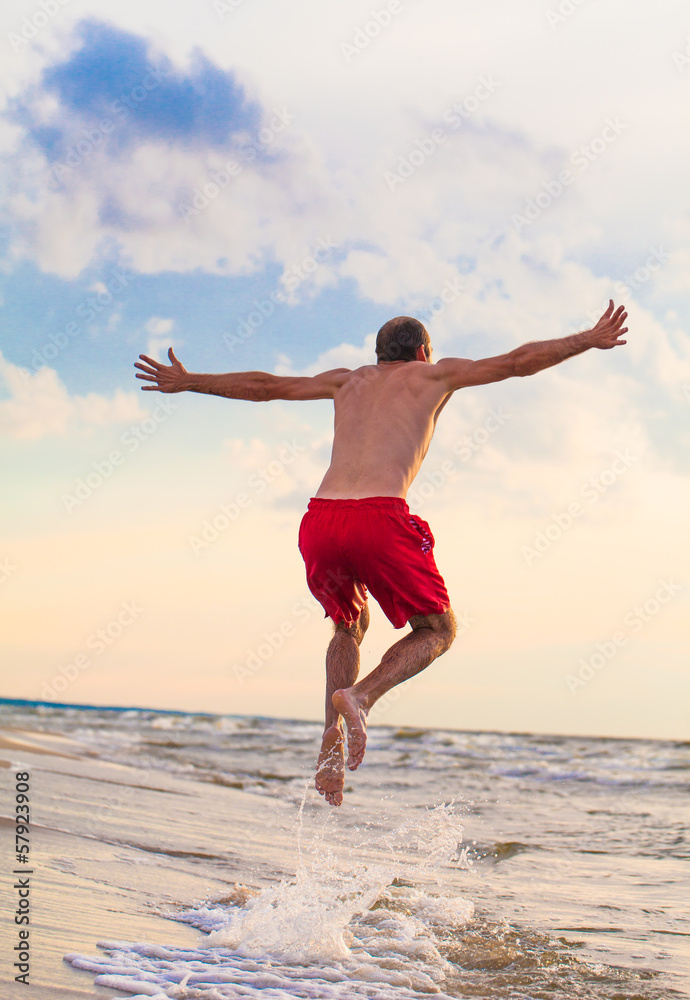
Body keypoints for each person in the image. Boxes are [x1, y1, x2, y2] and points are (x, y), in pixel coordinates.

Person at [135, 300, 628, 806]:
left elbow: (265, 388)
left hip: (320, 520)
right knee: (439, 629)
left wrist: (190, 380)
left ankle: (331, 742)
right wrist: (585, 339)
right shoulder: (433, 375)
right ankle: (360, 697)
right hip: (379, 518)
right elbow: (516, 362)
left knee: (348, 625)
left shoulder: (347, 380)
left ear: (376, 355)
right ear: (421, 351)